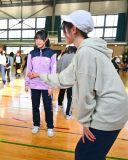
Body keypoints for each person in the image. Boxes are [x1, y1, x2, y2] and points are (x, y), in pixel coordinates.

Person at [28, 10, 128, 160]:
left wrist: (86, 122)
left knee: (84, 154)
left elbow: (86, 93)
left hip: (109, 112)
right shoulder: (85, 51)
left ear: (73, 29)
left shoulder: (86, 53)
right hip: (114, 110)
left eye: (64, 29)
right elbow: (63, 78)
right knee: (91, 154)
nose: (63, 33)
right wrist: (40, 75)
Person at [25, 30, 56, 137]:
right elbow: (28, 69)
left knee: (48, 107)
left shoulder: (51, 53)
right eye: (36, 39)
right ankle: (36, 124)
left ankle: (50, 126)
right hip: (34, 85)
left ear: (45, 39)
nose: (38, 41)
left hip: (46, 86)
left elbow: (53, 71)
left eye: (40, 39)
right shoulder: (32, 53)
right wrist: (27, 83)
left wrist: (51, 86)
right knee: (35, 106)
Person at [56, 45, 77, 119]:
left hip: (62, 78)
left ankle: (59, 104)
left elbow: (58, 66)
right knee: (70, 96)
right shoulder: (76, 57)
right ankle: (68, 113)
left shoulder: (63, 56)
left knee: (62, 90)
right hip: (71, 79)